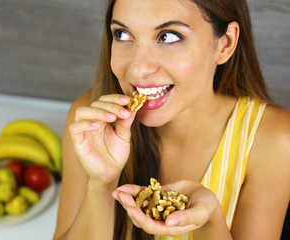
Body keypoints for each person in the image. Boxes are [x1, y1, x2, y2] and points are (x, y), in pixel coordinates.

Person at [53, 0, 290, 239]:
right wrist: (101, 185)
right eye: (123, 34)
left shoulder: (271, 140)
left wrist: (209, 222)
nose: (137, 70)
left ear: (225, 44)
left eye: (168, 36)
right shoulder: (91, 122)